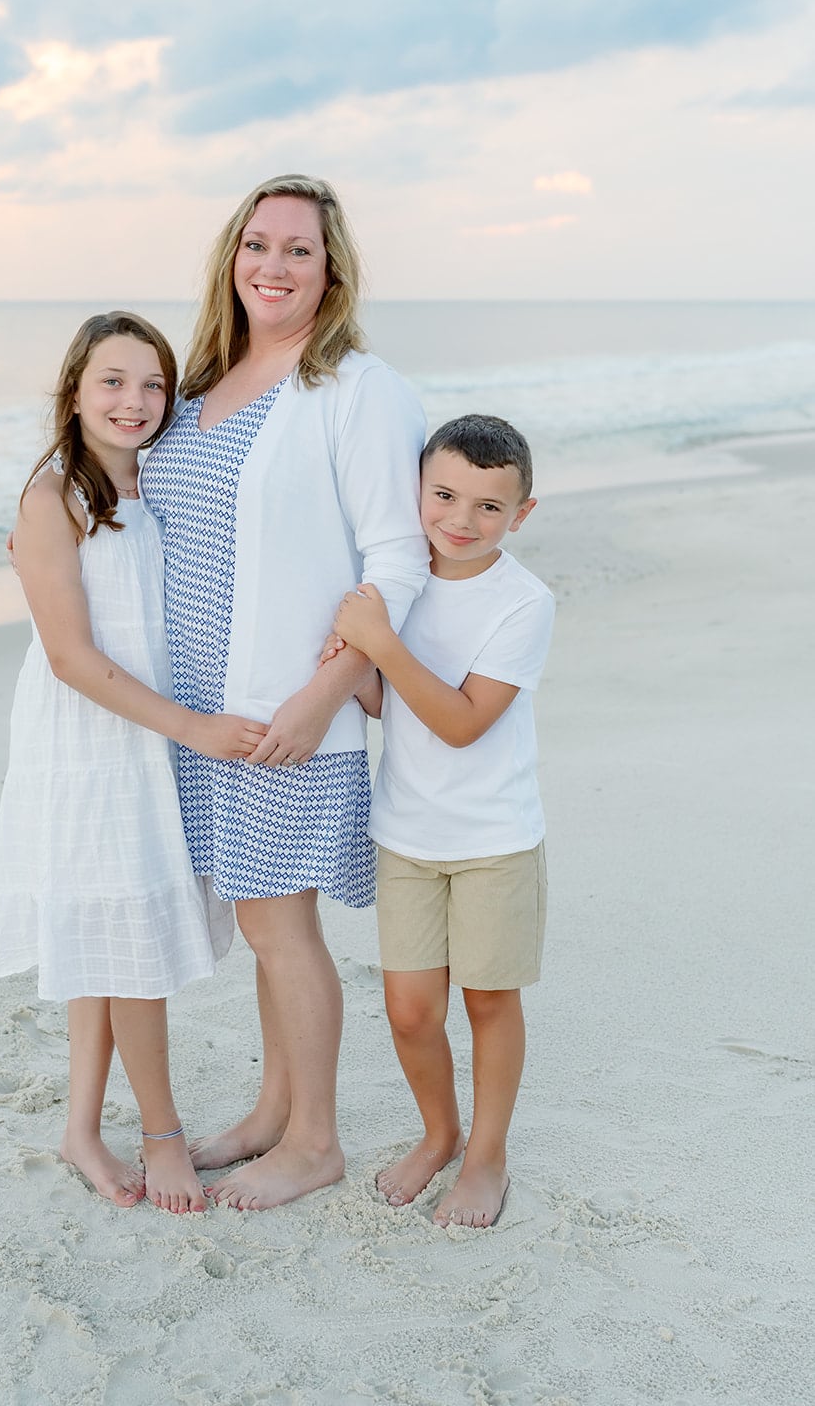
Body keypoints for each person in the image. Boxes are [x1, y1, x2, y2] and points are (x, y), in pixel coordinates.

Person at [140, 175, 428, 1210]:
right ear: (231, 257)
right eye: (256, 244)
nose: (273, 264)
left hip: (280, 713)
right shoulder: (201, 386)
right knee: (264, 920)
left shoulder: (352, 387)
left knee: (279, 925)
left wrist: (330, 693)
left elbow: (399, 557)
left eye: (298, 250)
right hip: (201, 716)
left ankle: (313, 1140)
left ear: (331, 270)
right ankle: (271, 1110)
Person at [0, 312, 267, 1215]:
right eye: (111, 382)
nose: (133, 402)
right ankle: (161, 1136)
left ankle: (77, 1130)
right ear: (73, 392)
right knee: (128, 939)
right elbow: (70, 656)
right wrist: (193, 728)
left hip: (149, 734)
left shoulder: (159, 484)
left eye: (152, 385)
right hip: (92, 738)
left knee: (105, 934)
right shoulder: (53, 496)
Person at [331, 414, 554, 1228]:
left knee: (489, 1001)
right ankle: (440, 1133)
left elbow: (461, 721)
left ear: (521, 515)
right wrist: (356, 664)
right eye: (445, 496)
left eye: (488, 508)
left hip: (493, 839)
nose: (460, 521)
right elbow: (391, 704)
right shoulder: (396, 583)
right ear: (417, 491)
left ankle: (486, 1157)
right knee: (411, 1010)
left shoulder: (523, 603)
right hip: (406, 836)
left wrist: (380, 646)